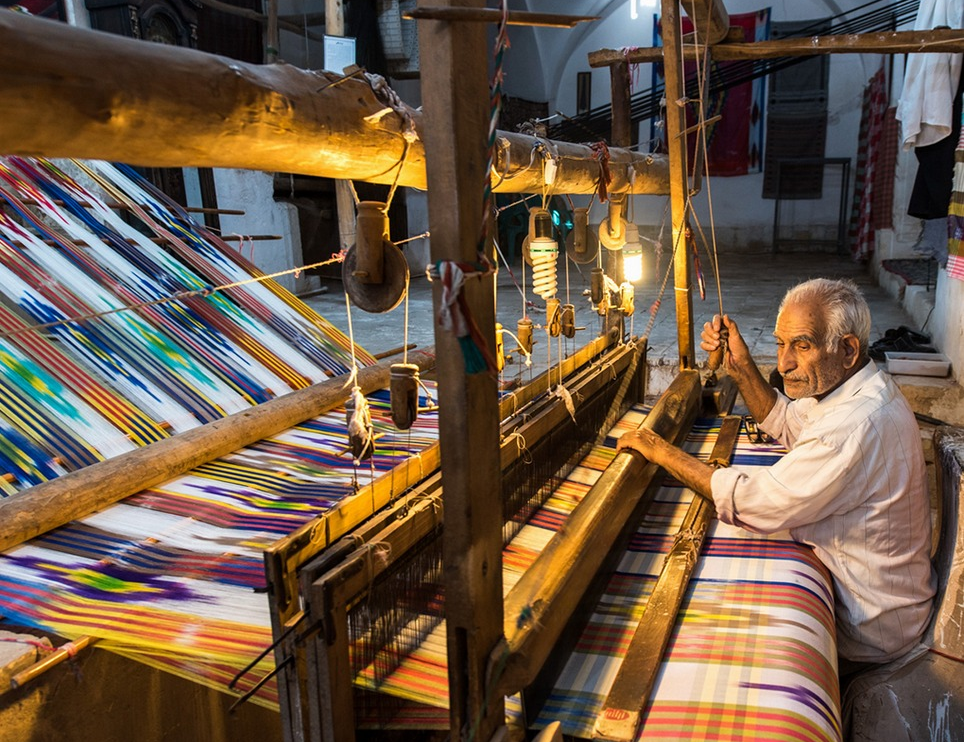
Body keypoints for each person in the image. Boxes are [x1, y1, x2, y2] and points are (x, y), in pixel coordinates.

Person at [617, 277, 936, 673]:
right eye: (781, 343)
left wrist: (659, 449)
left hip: (872, 630)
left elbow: (753, 504)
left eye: (801, 345)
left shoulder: (854, 424)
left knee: (720, 645)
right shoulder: (856, 388)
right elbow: (786, 419)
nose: (783, 362)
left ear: (848, 349)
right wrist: (741, 366)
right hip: (884, 600)